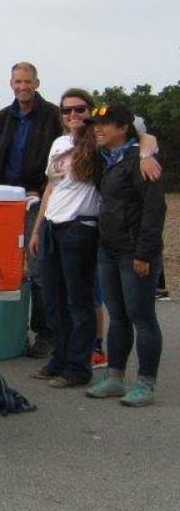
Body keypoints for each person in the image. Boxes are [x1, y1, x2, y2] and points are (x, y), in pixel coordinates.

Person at [84, 102, 167, 407]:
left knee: (142, 318)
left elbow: (154, 210)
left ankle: (146, 383)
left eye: (106, 124)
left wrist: (144, 253)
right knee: (118, 316)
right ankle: (115, 378)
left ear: (123, 128)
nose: (99, 128)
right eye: (96, 124)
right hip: (108, 250)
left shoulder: (141, 159)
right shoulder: (105, 158)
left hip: (135, 253)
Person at [0, 62, 62, 359]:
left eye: (28, 81)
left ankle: (45, 332)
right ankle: (0, 330)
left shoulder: (53, 117)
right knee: (1, 268)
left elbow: (60, 160)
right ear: (11, 84)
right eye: (18, 81)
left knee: (38, 269)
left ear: (37, 83)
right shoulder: (3, 118)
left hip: (37, 203)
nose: (22, 86)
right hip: (4, 203)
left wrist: (40, 190)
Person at [27, 88, 102, 388]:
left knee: (78, 301)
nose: (73, 115)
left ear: (91, 111)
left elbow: (138, 133)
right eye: (67, 110)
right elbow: (51, 187)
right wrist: (37, 227)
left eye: (80, 109)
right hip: (51, 227)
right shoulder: (59, 143)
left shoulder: (98, 141)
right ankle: (59, 358)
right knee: (53, 301)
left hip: (80, 228)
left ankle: (77, 367)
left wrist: (147, 151)